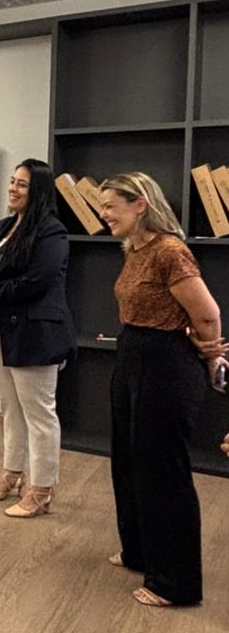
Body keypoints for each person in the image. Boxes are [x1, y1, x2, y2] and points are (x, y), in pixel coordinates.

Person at [99, 173, 222, 607]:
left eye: (110, 205)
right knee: (129, 460)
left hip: (166, 364)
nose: (103, 214)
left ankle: (175, 583)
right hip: (134, 354)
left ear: (140, 204)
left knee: (163, 471)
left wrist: (211, 355)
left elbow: (207, 315)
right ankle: (139, 552)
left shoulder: (170, 251)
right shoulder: (134, 249)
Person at [0, 159, 76, 518]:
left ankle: (41, 491)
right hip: (1, 330)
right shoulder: (3, 226)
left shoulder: (52, 232)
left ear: (39, 192)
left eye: (22, 184)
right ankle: (12, 476)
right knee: (10, 408)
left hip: (36, 335)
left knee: (39, 415)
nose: (12, 189)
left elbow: (36, 282)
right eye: (12, 181)